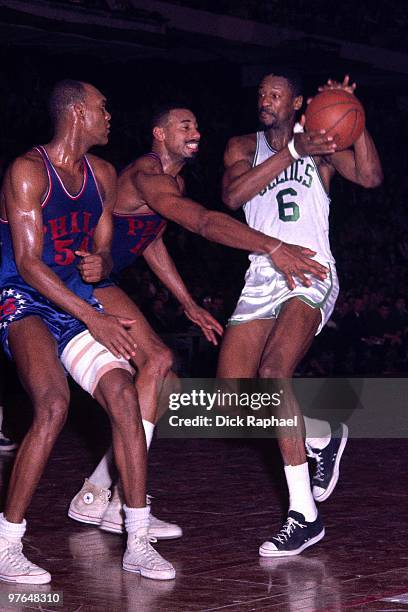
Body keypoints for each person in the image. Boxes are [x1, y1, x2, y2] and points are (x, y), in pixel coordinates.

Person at [69, 103, 330, 534]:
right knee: (158, 362)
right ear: (158, 133)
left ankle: (95, 492)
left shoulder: (172, 181)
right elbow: (206, 222)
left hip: (100, 278)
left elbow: (148, 241)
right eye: (183, 124)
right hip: (78, 276)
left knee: (165, 383)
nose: (196, 130)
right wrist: (273, 247)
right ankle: (120, 503)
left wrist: (187, 300)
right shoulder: (145, 176)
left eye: (197, 123)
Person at [0, 80, 175, 583]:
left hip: (74, 294)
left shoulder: (101, 174)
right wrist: (93, 315)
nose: (109, 115)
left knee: (123, 395)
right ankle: (8, 540)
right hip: (23, 296)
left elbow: (100, 249)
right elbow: (31, 264)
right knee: (53, 404)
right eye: (103, 107)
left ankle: (137, 537)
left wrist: (100, 263)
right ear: (77, 113)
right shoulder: (27, 171)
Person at [217, 71, 382, 556]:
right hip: (263, 273)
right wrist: (293, 152)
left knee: (273, 373)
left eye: (275, 94)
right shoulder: (241, 145)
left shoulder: (319, 142)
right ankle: (321, 435)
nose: (265, 100)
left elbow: (371, 177)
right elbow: (231, 197)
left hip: (310, 269)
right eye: (261, 93)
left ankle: (303, 514)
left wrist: (356, 118)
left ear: (298, 102)